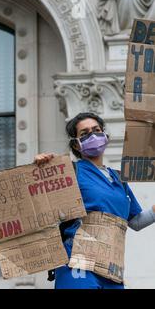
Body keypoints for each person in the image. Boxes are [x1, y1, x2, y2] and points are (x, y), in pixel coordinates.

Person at [34, 112, 155, 289]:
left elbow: (135, 222)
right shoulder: (70, 172)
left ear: (105, 135)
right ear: (76, 144)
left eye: (96, 130)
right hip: (77, 263)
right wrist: (40, 168)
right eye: (85, 133)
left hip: (110, 267)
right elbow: (38, 200)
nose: (93, 135)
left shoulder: (119, 179)